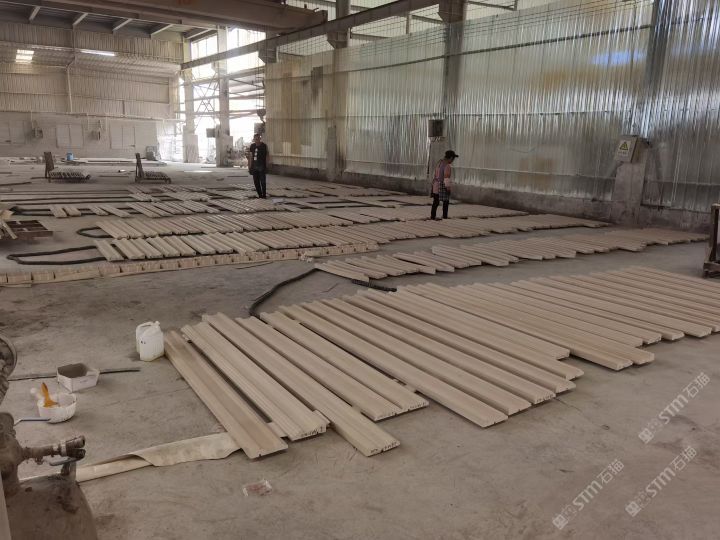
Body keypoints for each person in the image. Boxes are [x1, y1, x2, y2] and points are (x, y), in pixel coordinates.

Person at [430, 150, 458, 219]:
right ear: (451, 158)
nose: (452, 161)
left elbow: (435, 174)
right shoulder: (447, 166)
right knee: (446, 201)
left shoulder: (439, 163)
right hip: (442, 185)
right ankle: (445, 216)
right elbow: (446, 177)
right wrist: (448, 188)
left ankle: (432, 216)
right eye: (453, 159)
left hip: (435, 184)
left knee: (435, 202)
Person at [248, 133, 268, 198]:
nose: (257, 140)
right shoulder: (252, 146)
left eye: (258, 139)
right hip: (254, 166)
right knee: (256, 182)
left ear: (260, 138)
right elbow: (250, 156)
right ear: (254, 139)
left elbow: (267, 156)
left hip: (261, 166)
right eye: (255, 139)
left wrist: (266, 166)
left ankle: (264, 195)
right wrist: (249, 167)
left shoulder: (264, 146)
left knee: (263, 181)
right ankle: (260, 195)